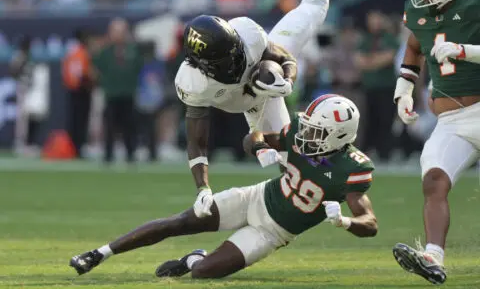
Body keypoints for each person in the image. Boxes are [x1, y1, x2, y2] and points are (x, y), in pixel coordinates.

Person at [174, 0, 383, 219]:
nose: (236, 57)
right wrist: (203, 189)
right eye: (226, 57)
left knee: (314, 7)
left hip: (269, 82)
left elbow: (285, 57)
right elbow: (196, 141)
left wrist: (287, 80)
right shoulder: (193, 83)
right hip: (251, 104)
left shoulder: (247, 36)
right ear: (205, 65)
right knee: (290, 165)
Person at [69, 94, 377, 279]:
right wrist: (259, 148)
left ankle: (193, 258)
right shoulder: (298, 130)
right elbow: (253, 136)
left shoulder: (353, 169)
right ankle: (98, 254)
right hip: (255, 198)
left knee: (202, 273)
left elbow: (371, 224)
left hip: (272, 233)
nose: (307, 135)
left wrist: (344, 220)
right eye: (308, 127)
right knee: (180, 222)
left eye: (317, 132)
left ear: (339, 137)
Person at [392, 0, 480, 285]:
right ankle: (433, 256)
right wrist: (404, 87)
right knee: (434, 181)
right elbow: (416, 45)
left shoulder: (474, 5)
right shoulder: (419, 9)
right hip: (452, 122)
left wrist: (464, 52)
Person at [93, 18, 143, 164]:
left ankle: (130, 154)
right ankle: (108, 155)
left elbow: (139, 67)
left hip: (128, 93)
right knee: (110, 126)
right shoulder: (105, 51)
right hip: (111, 94)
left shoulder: (133, 50)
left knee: (129, 126)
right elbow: (96, 68)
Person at [355, 11, 398, 161]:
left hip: (386, 87)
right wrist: (376, 61)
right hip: (369, 87)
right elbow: (359, 61)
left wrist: (370, 61)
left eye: (377, 19)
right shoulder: (365, 39)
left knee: (386, 120)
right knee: (368, 120)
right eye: (371, 19)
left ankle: (385, 153)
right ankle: (367, 151)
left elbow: (389, 57)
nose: (374, 22)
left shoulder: (389, 38)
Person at [62, 28, 93, 158]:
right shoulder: (82, 53)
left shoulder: (71, 52)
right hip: (81, 89)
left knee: (74, 120)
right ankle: (77, 148)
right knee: (80, 121)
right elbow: (84, 73)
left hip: (73, 90)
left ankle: (74, 148)